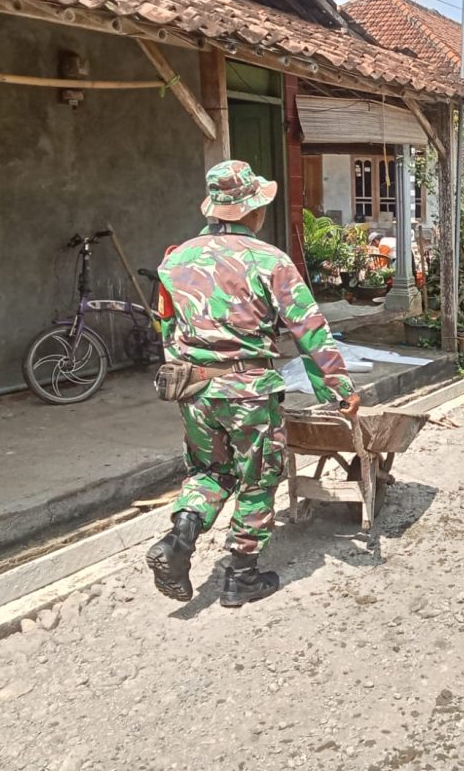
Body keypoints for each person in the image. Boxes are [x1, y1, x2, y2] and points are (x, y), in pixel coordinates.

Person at [146, 160, 359, 607]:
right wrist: (339, 391)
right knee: (259, 477)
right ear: (252, 211)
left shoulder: (175, 260)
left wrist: (183, 369)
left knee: (209, 471)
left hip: (194, 388)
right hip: (248, 391)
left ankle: (177, 542)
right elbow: (310, 331)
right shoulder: (270, 261)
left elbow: (167, 327)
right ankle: (241, 575)